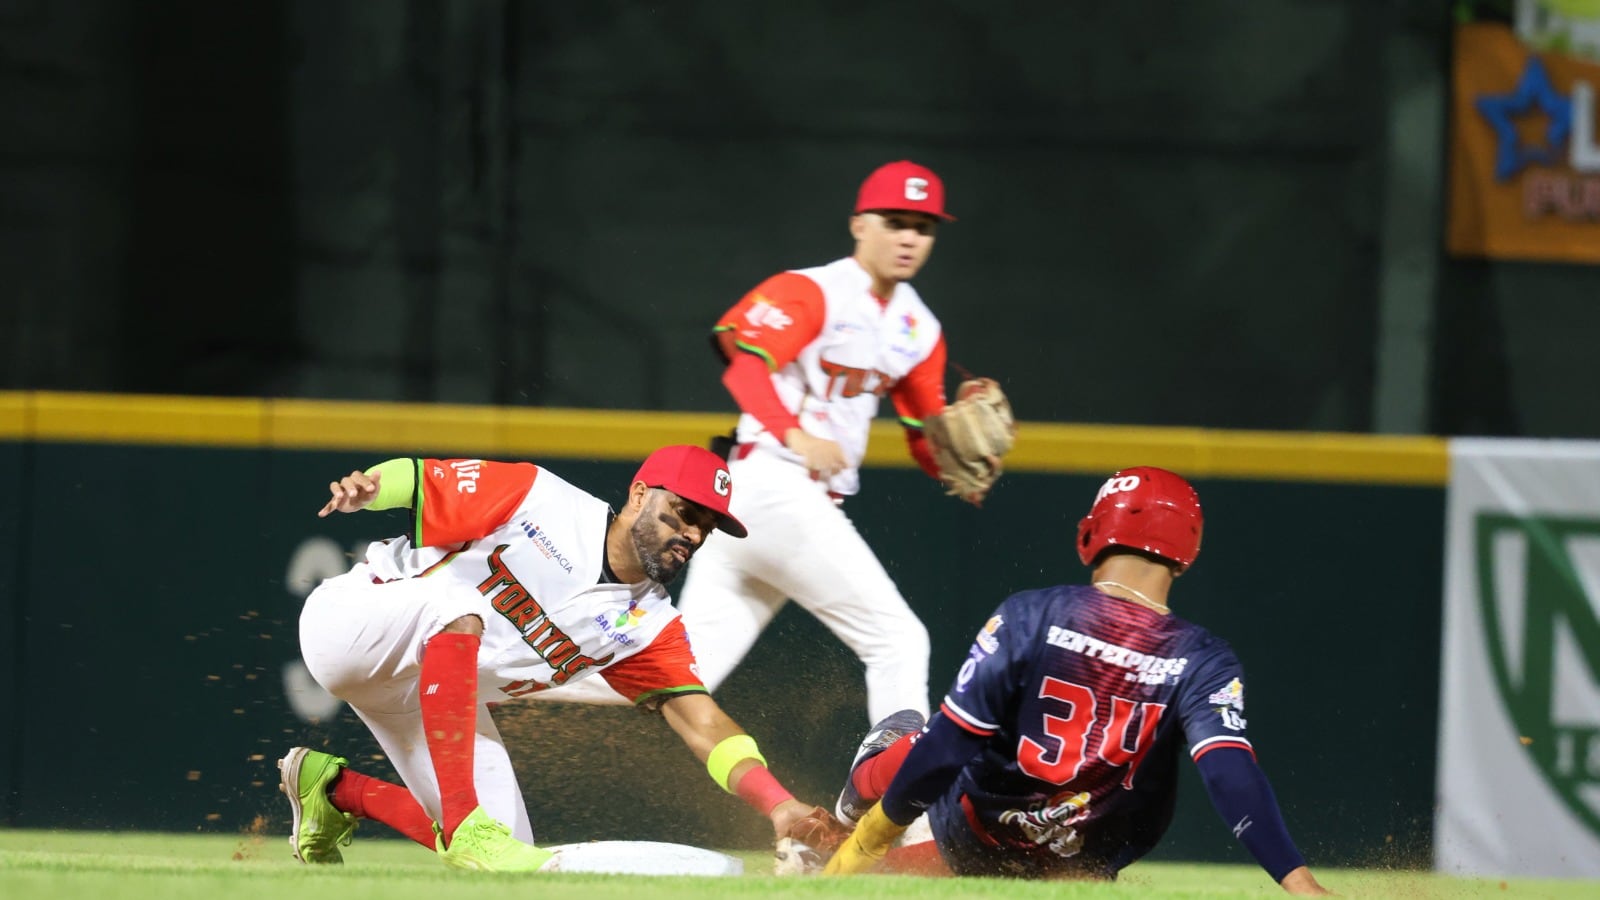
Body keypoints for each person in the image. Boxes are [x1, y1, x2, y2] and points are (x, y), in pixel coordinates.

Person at [277, 445, 824, 871]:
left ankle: (334, 790)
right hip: (353, 623)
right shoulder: (541, 499)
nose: (691, 534)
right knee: (461, 608)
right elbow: (422, 480)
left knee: (511, 857)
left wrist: (778, 804)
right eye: (682, 513)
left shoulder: (648, 627)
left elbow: (704, 724)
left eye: (706, 526)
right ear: (640, 494)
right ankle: (465, 820)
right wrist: (370, 489)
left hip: (422, 691)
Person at [820, 467, 1332, 895]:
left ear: (1092, 531)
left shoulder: (1032, 613)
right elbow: (1228, 774)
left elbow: (951, 744)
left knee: (930, 734)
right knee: (1036, 849)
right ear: (1187, 552)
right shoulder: (1203, 658)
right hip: (1080, 864)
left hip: (975, 831)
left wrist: (867, 840)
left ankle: (847, 815)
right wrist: (1299, 882)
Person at [672, 159, 974, 726]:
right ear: (860, 224)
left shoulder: (920, 329)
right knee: (898, 640)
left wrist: (961, 465)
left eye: (923, 226)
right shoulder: (813, 290)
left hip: (775, 506)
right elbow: (743, 369)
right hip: (772, 482)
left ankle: (481, 682)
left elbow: (924, 437)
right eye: (895, 221)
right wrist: (796, 434)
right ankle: (899, 808)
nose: (909, 236)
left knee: (679, 677)